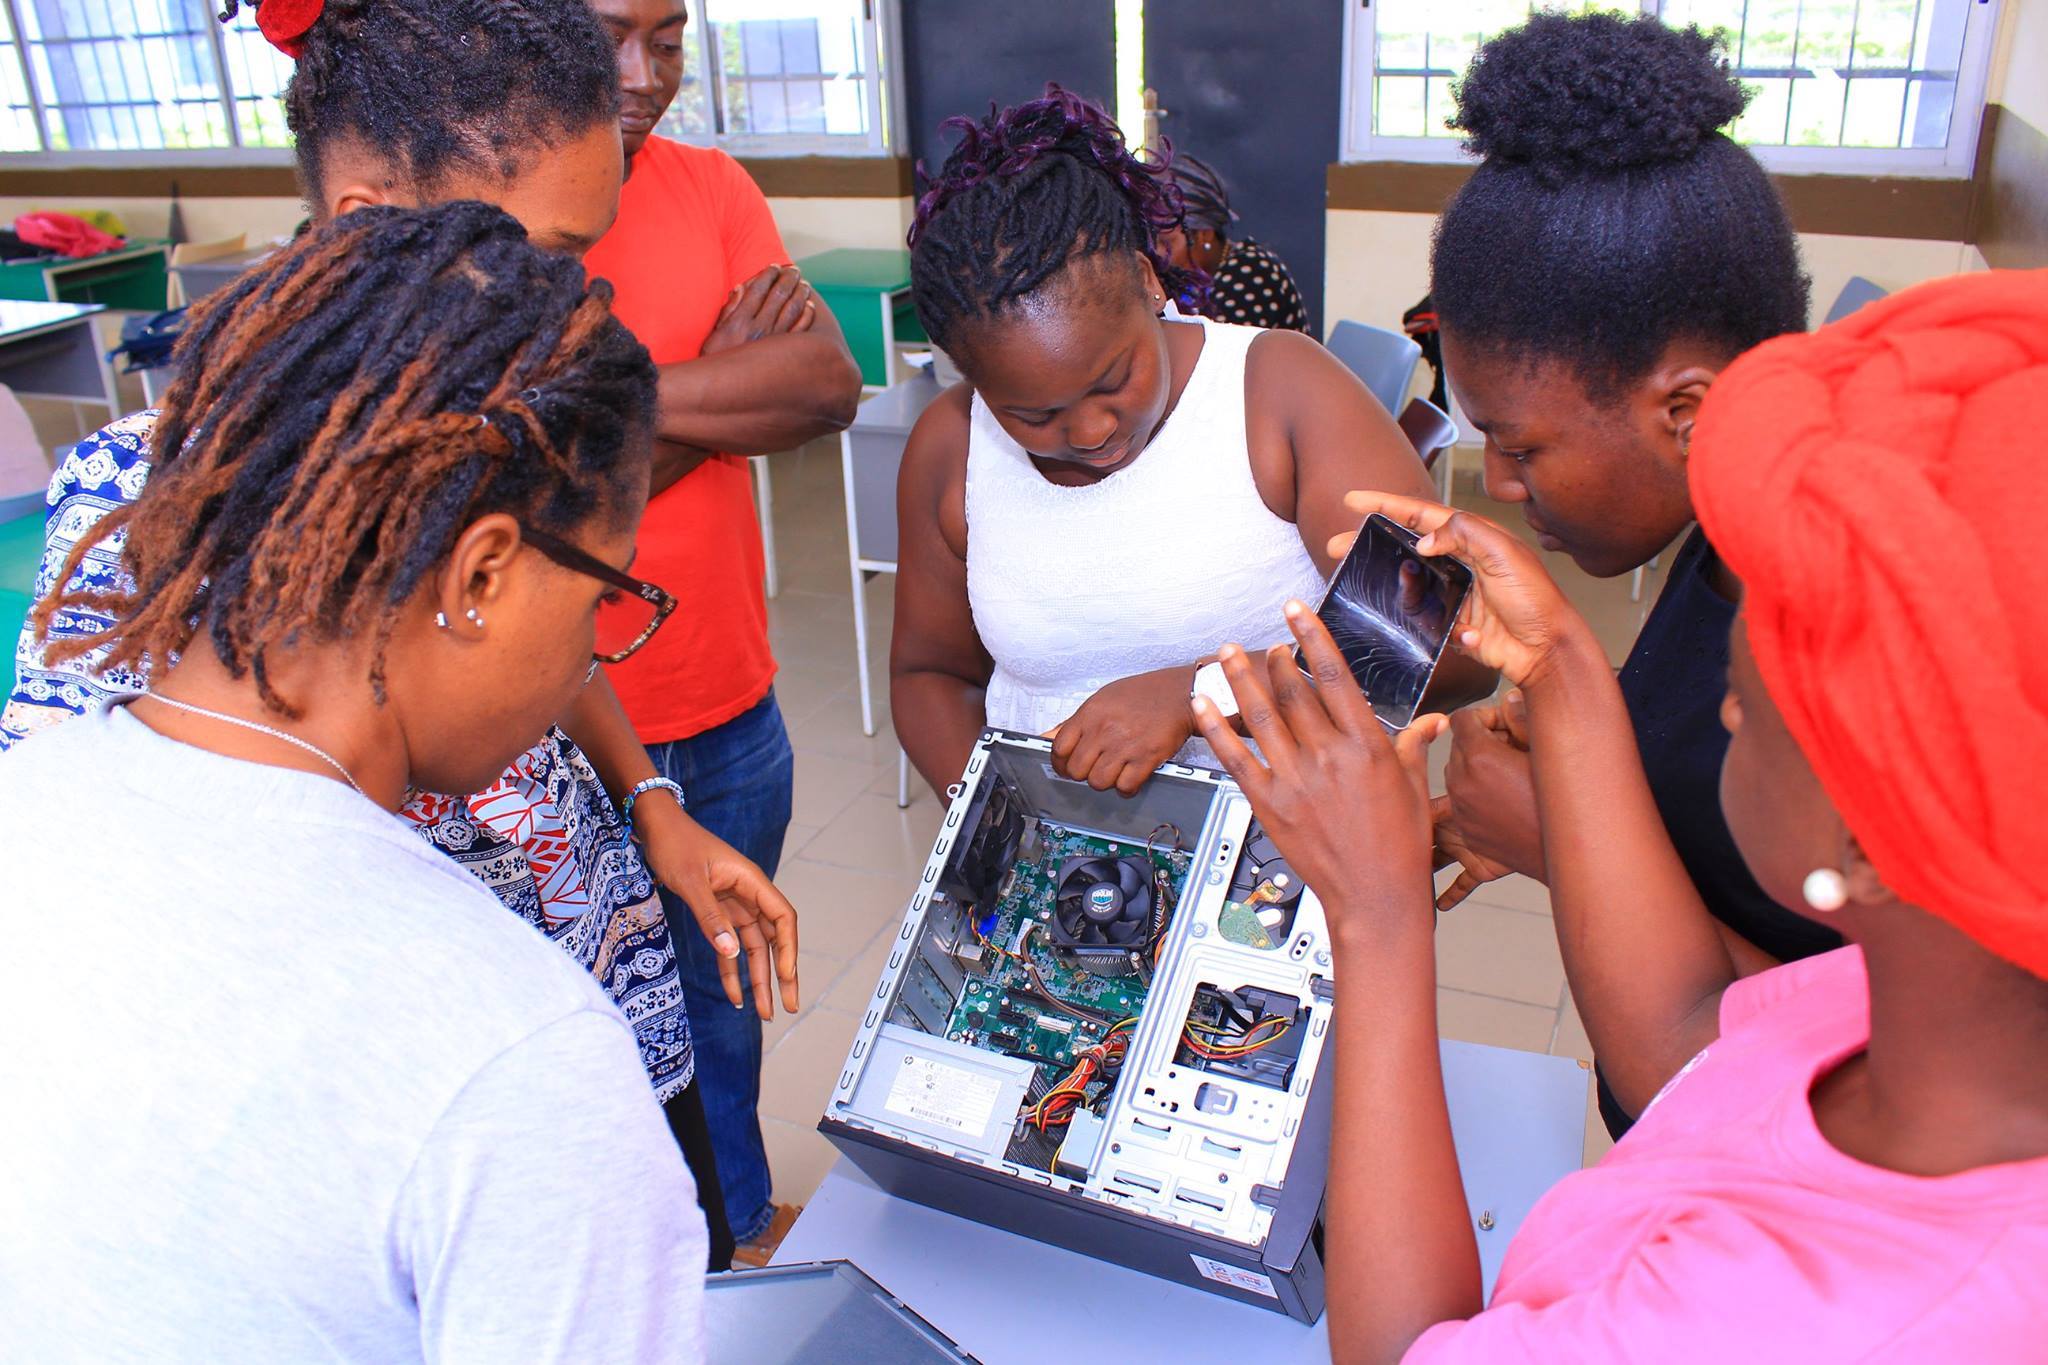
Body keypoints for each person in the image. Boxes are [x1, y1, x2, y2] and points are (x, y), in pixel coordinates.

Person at [0, 0, 798, 1270]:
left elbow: (560, 624)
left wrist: (648, 802)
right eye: (540, 255)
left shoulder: (502, 434)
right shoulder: (146, 502)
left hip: (591, 984)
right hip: (425, 1103)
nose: (571, 312)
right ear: (373, 222)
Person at [1192, 267, 2048, 1361]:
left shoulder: (1785, 1323)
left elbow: (1402, 1347)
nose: (1725, 700)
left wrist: (1377, 912)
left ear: (1869, 845)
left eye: (1751, 693)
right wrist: (1557, 666)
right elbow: (1689, 1049)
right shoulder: (1947, 1014)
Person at [1419, 14, 1826, 1134]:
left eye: (1522, 445)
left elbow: (1834, 1051)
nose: (1499, 483)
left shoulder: (1837, 639)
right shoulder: (1729, 540)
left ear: (1683, 411)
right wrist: (1569, 762)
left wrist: (1557, 832)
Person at [892, 86, 1485, 799]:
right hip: (1064, 882)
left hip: (1287, 867)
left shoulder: (1277, 393)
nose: (1091, 431)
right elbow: (931, 675)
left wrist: (1201, 695)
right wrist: (1001, 829)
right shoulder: (951, 447)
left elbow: (1453, 648)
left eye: (1114, 378)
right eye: (1032, 414)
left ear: (1146, 280)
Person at [583, 0, 862, 1262]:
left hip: (733, 704)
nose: (645, 76)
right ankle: (657, 1259)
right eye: (609, 34)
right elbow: (500, 479)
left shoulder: (710, 184)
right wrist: (711, 393)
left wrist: (601, 426)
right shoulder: (497, 212)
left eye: (670, 37)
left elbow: (820, 385)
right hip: (565, 725)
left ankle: (739, 1217)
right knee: (603, 1029)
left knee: (727, 998)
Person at [1154, 153, 1310, 333]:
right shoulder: (1203, 277)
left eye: (1167, 242)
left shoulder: (1252, 272)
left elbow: (1216, 355)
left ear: (1205, 235)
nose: (1157, 253)